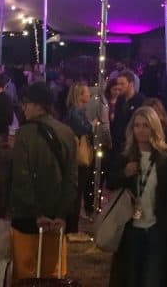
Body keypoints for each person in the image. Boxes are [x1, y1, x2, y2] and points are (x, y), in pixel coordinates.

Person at [108, 106, 167, 287]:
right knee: (131, 276)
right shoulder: (126, 156)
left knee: (154, 277)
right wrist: (124, 174)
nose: (141, 130)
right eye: (137, 125)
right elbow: (110, 182)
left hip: (158, 227)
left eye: (145, 125)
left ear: (154, 128)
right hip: (131, 226)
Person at [9, 82, 77, 281]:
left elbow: (22, 178)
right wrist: (63, 213)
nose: (24, 108)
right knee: (53, 272)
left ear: (38, 105)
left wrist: (36, 212)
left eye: (26, 104)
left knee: (26, 273)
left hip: (27, 216)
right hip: (57, 216)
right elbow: (71, 178)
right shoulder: (67, 132)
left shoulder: (24, 133)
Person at [65, 82, 94, 237]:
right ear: (80, 95)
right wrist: (92, 125)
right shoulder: (76, 113)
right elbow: (83, 129)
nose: (89, 94)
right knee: (77, 191)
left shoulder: (77, 112)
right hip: (78, 155)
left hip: (77, 155)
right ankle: (72, 227)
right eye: (87, 92)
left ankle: (72, 225)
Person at [110, 70, 145, 157]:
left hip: (133, 146)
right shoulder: (120, 100)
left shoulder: (140, 101)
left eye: (122, 84)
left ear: (131, 84)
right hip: (119, 146)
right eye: (118, 84)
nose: (119, 87)